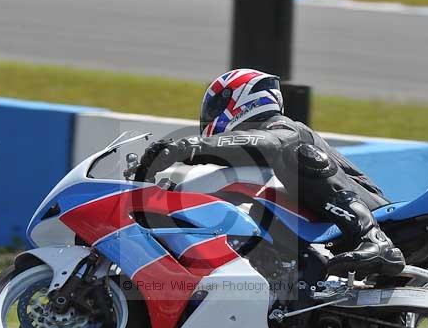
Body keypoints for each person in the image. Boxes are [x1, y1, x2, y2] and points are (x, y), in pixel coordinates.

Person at [137, 69, 405, 277]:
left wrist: (187, 147)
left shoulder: (282, 129)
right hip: (326, 238)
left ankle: (373, 239)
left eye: (215, 106)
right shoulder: (254, 157)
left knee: (297, 154)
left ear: (239, 99)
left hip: (383, 219)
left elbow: (268, 144)